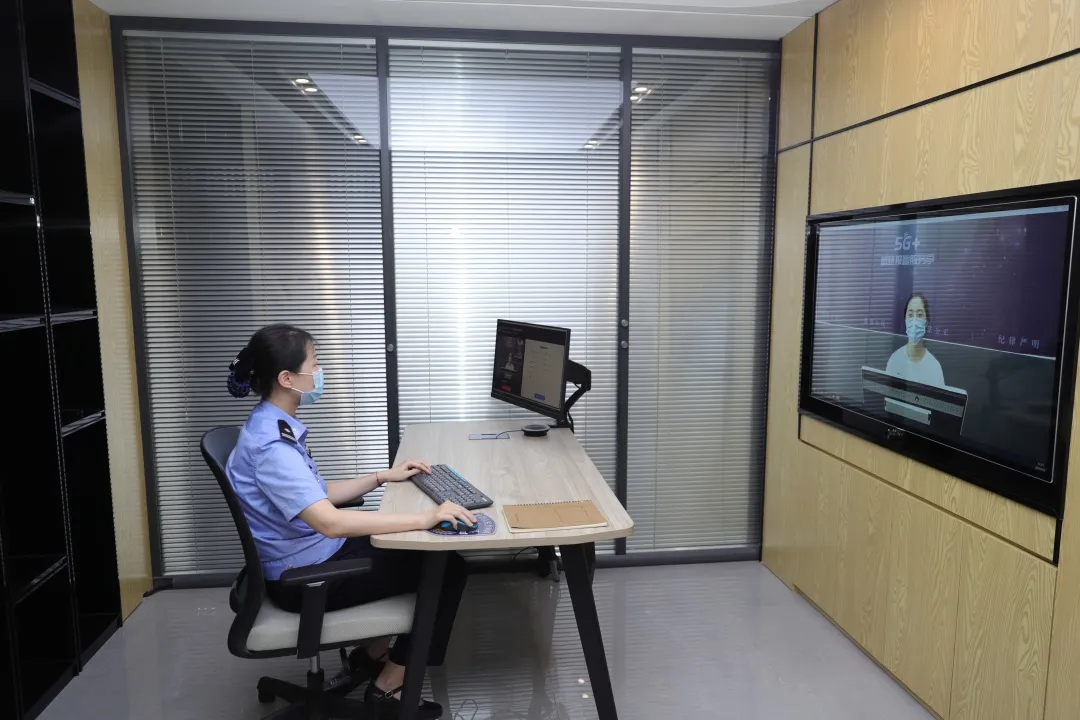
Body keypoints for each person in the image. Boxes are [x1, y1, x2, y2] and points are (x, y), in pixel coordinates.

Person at [224, 324, 476, 719]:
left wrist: (381, 477)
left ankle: (370, 656)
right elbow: (331, 523)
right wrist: (426, 516)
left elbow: (317, 493)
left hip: (311, 556)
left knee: (416, 551)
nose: (320, 372)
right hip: (307, 578)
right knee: (447, 567)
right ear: (287, 378)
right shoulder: (272, 448)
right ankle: (390, 684)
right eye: (315, 363)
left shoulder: (270, 423)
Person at [886, 292, 946, 387]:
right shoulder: (895, 359)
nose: (914, 321)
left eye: (919, 315)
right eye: (910, 315)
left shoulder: (935, 367)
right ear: (905, 320)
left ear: (926, 322)